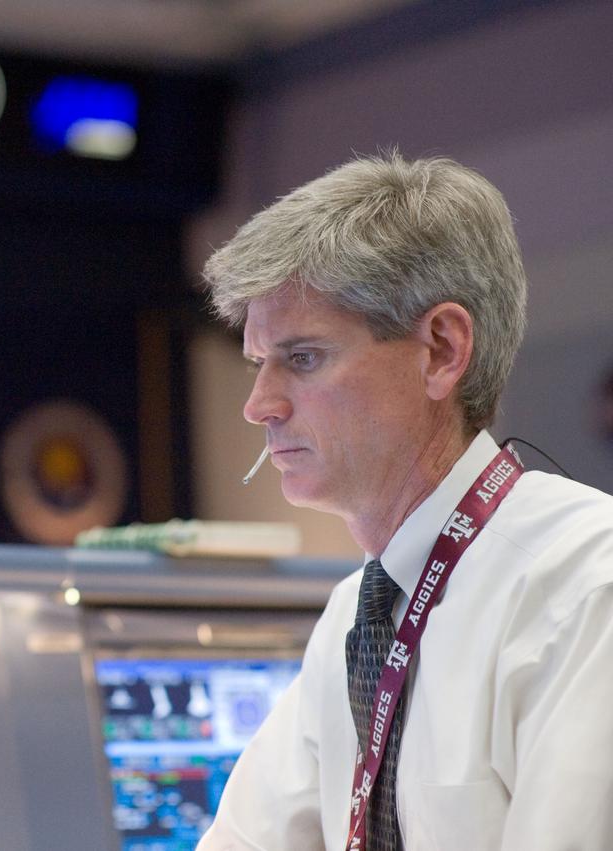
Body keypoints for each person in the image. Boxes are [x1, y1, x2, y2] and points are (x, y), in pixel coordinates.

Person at [195, 153, 613, 850]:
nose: (258, 405)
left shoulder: (586, 586)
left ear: (441, 351)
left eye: (302, 358)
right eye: (256, 363)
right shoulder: (354, 615)